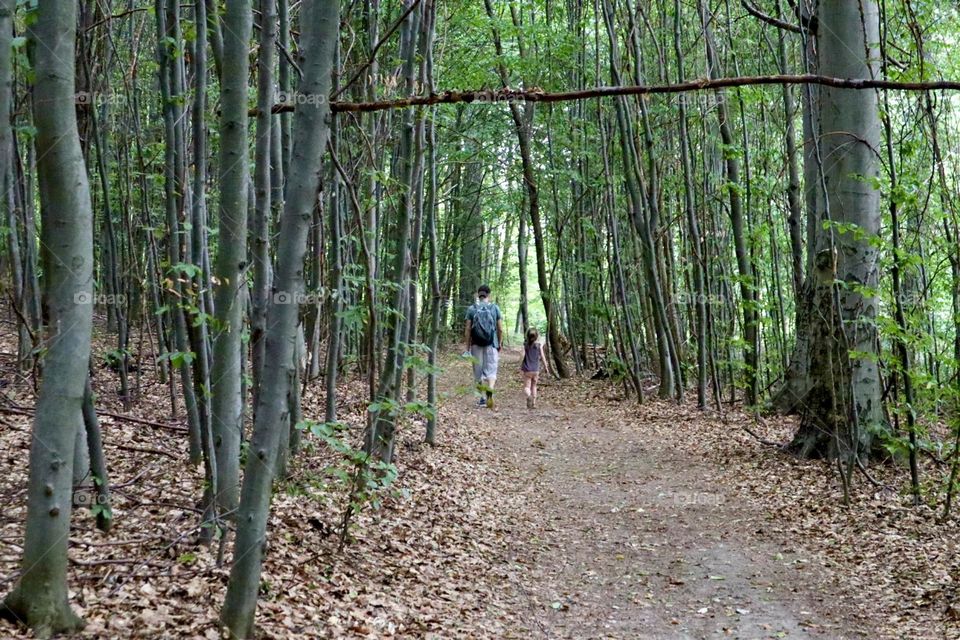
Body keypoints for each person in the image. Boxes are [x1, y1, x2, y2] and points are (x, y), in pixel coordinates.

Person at [465, 284, 504, 408]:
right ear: (489, 295)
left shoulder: (472, 309)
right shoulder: (494, 308)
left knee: (478, 372)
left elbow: (467, 329)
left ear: (478, 294)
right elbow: (500, 329)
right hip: (491, 344)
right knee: (491, 370)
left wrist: (467, 347)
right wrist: (499, 343)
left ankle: (482, 398)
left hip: (476, 344)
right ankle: (490, 389)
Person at [521, 327, 550, 409]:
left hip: (527, 370)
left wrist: (520, 365)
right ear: (536, 336)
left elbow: (522, 355)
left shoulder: (525, 346)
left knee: (527, 387)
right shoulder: (539, 346)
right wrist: (546, 367)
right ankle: (533, 403)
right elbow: (543, 357)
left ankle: (529, 395)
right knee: (534, 386)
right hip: (536, 370)